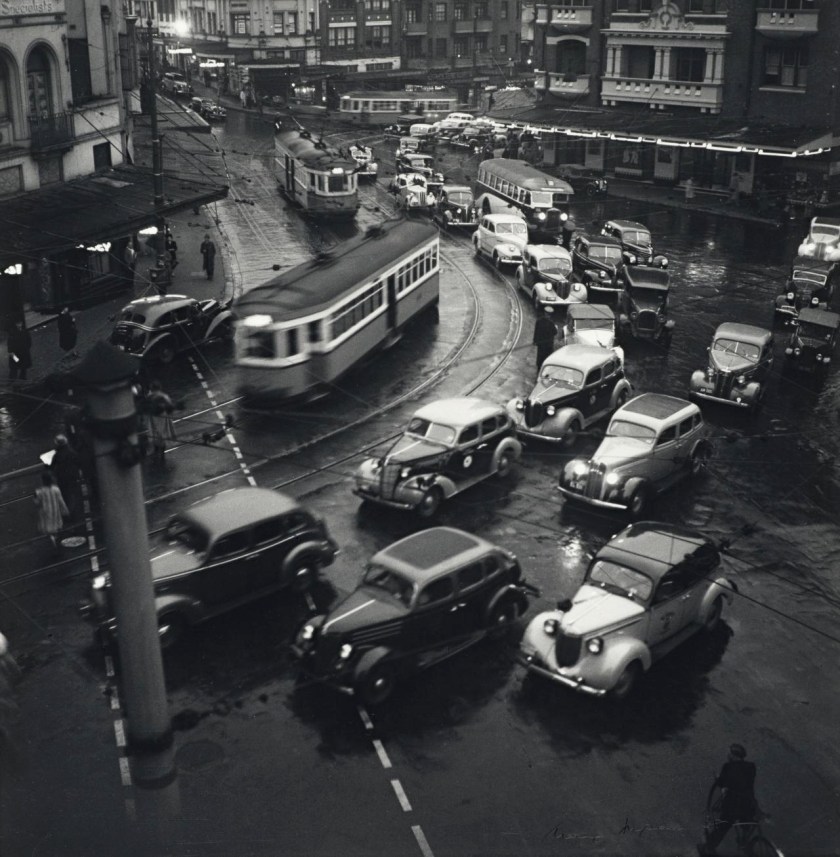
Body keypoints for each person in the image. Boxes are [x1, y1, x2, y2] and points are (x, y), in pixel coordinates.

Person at [698, 743, 758, 856]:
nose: (728, 755)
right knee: (747, 821)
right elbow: (746, 783)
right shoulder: (751, 766)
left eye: (730, 753)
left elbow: (722, 782)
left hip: (732, 805)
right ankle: (744, 842)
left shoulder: (728, 766)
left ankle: (708, 847)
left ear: (733, 755)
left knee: (723, 826)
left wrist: (717, 778)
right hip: (748, 804)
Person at [50, 434, 82, 522]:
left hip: (61, 478)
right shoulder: (71, 452)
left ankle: (67, 514)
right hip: (72, 477)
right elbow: (78, 462)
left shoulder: (57, 455)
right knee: (72, 494)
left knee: (65, 495)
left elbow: (52, 466)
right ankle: (73, 513)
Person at [34, 470, 69, 550]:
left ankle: (52, 542)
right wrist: (65, 511)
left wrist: (35, 498)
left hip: (45, 513)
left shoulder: (39, 491)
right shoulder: (56, 489)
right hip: (55, 512)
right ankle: (55, 541)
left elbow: (37, 502)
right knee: (55, 528)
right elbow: (61, 501)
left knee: (48, 529)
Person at [144, 380, 177, 465]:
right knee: (162, 435)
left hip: (153, 419)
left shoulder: (149, 396)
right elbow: (170, 408)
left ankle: (157, 453)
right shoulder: (163, 396)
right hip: (162, 418)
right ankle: (161, 455)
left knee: (155, 435)